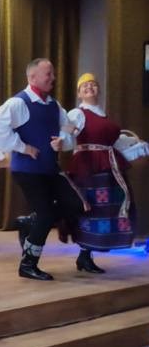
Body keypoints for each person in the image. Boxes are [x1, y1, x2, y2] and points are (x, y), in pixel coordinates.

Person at [0, 58, 84, 280]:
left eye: (53, 73)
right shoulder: (18, 103)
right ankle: (28, 264)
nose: (53, 78)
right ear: (32, 77)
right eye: (48, 74)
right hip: (27, 170)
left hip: (50, 168)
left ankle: (30, 221)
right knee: (46, 214)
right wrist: (22, 147)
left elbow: (68, 130)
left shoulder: (54, 105)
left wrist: (62, 141)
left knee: (76, 204)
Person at [61, 73, 148, 272]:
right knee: (93, 210)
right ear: (79, 93)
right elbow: (67, 136)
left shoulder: (102, 115)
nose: (89, 87)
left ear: (98, 90)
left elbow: (114, 142)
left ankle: (86, 256)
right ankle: (85, 254)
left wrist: (135, 144)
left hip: (108, 166)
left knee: (109, 209)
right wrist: (62, 140)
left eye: (93, 84)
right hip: (89, 167)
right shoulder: (77, 113)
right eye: (84, 86)